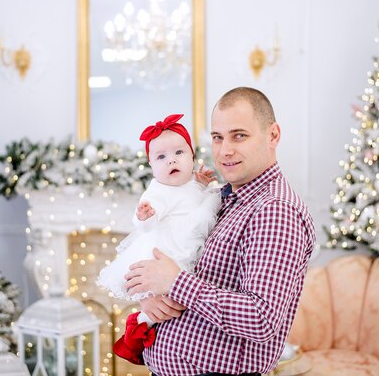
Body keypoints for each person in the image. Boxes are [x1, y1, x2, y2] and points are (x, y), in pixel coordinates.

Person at [124, 87, 316, 376]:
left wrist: (175, 282)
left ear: (273, 135)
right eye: (217, 137)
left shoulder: (275, 210)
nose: (225, 150)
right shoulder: (220, 197)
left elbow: (261, 318)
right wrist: (154, 296)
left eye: (239, 135)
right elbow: (184, 266)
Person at [96, 114, 220, 365]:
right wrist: (145, 216)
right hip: (170, 252)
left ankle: (144, 324)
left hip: (187, 247)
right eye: (161, 157)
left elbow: (200, 200)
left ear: (192, 157)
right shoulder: (158, 191)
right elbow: (148, 219)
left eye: (178, 152)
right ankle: (139, 328)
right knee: (170, 302)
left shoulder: (192, 184)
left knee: (175, 302)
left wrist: (205, 186)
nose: (171, 160)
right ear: (152, 165)